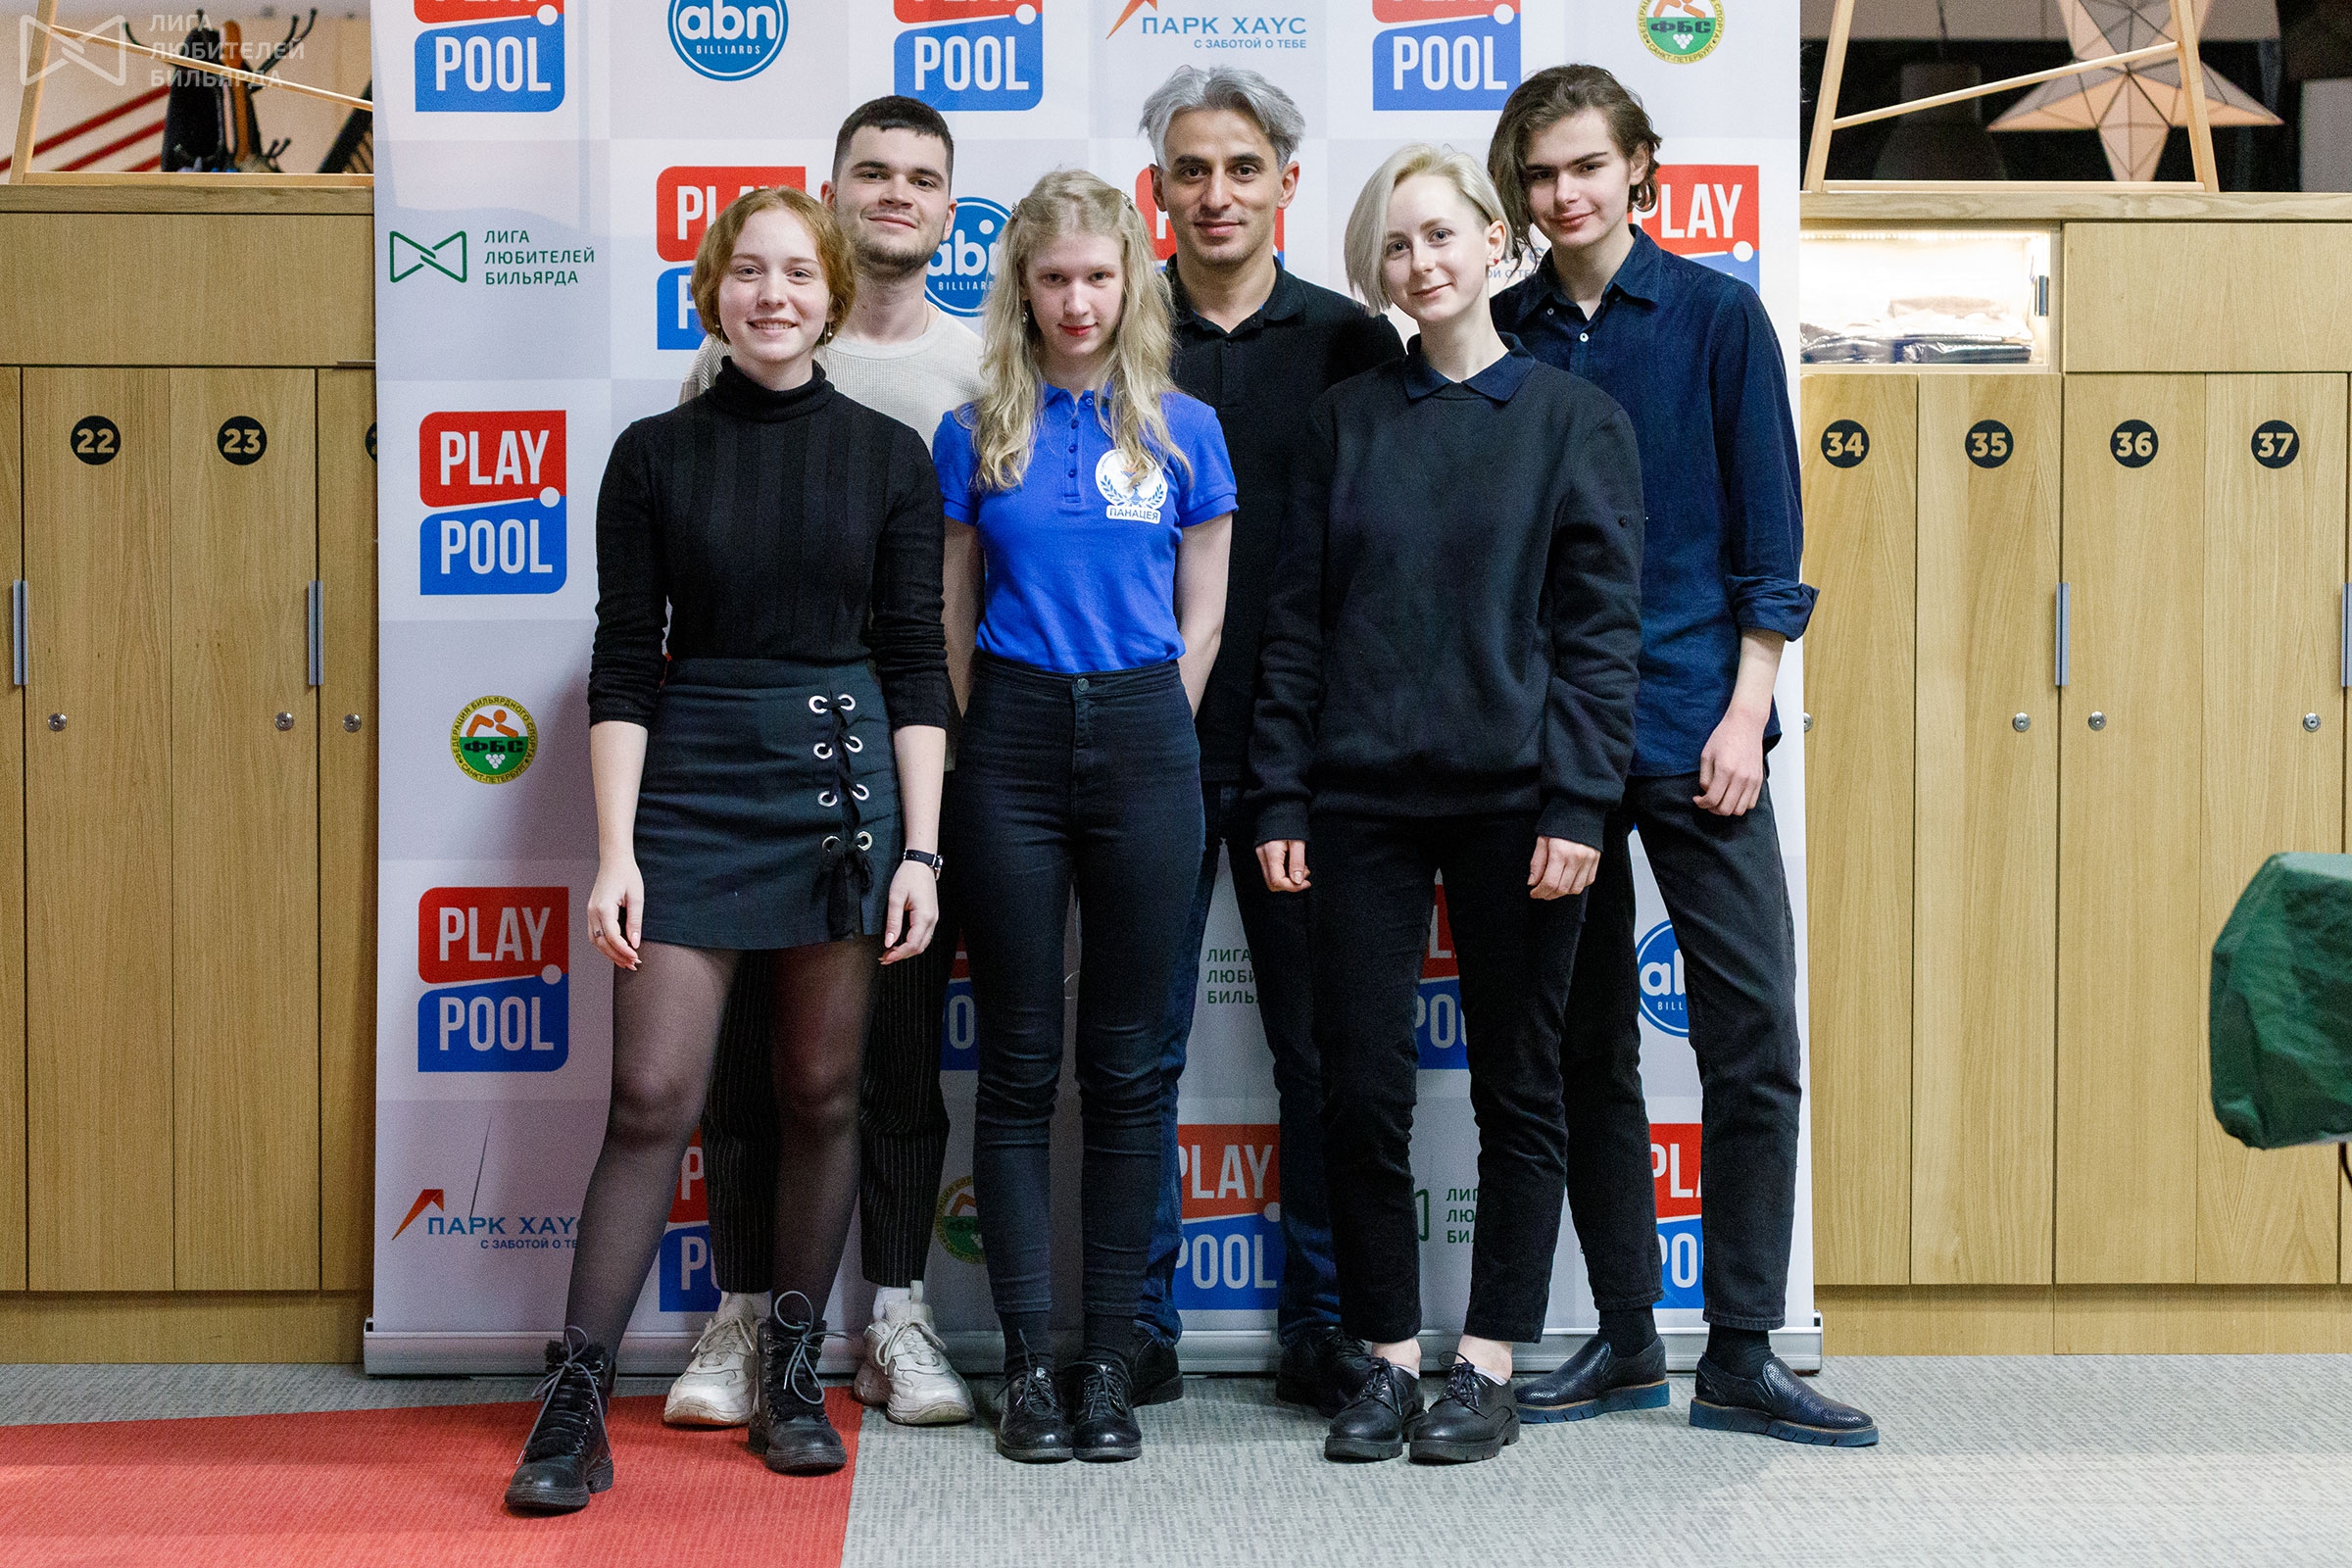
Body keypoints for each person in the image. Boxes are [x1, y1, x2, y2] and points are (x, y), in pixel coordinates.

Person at [504, 185, 951, 1514]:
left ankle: (794, 1379)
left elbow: (915, 663)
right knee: (652, 1098)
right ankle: (575, 1405)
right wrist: (616, 853)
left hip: (838, 793)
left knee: (820, 1094)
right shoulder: (651, 455)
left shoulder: (890, 456)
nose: (773, 295)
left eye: (798, 274)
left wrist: (922, 853)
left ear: (831, 294)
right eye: (748, 272)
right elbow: (623, 662)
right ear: (713, 292)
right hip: (690, 791)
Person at [1487, 65, 1878, 1446]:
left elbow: (1771, 539)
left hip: (1705, 728)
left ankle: (1748, 1352)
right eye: (1540, 175)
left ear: (1638, 167)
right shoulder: (1502, 333)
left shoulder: (1719, 317)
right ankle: (1625, 1339)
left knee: (1751, 1035)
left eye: (1586, 167)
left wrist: (1744, 712)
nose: (1564, 195)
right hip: (1558, 742)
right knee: (1582, 1046)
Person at [1250, 144, 1643, 1466]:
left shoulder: (1574, 421)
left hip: (1519, 806)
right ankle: (1381, 1358)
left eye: (1439, 235)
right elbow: (1296, 627)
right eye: (1395, 245)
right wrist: (1280, 794)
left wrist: (1580, 806)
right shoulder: (1343, 424)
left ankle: (1486, 1365)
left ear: (1493, 240)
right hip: (1357, 804)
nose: (1421, 263)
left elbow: (1600, 638)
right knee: (1358, 1090)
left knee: (1519, 1088)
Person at [666, 96, 978, 1434]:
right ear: (832, 191)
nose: (896, 194)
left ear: (950, 211)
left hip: (925, 762)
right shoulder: (745, 353)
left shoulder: (984, 367)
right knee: (748, 1061)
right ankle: (745, 1315)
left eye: (922, 178)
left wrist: (937, 799)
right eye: (872, 172)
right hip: (750, 778)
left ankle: (896, 1312)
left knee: (894, 1061)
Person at [933, 169, 1235, 1465]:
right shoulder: (973, 433)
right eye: (1052, 278)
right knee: (1015, 1069)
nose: (1075, 300)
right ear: (1022, 287)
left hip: (1147, 739)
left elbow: (1204, 614)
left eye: (1097, 277)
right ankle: (1027, 1369)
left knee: (1127, 1072)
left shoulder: (1186, 429)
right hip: (1007, 742)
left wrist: (1146, 719)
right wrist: (1005, 724)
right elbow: (953, 615)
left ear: (1131, 283)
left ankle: (1108, 1361)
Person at [1127, 66, 1404, 1417]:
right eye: (1191, 169)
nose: (1217, 193)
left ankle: (1327, 1329)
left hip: (1316, 758)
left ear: (1288, 182)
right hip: (1147, 745)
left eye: (1243, 168)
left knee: (1324, 1056)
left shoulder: (1357, 343)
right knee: (1137, 1052)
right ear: (1157, 189)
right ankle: (1133, 1324)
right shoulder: (1114, 328)